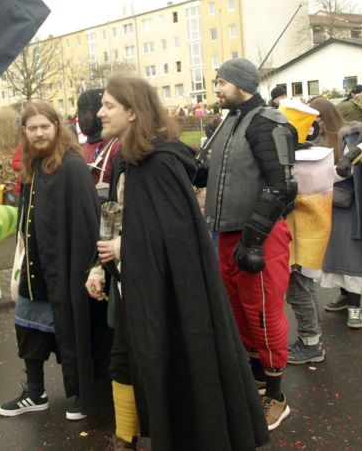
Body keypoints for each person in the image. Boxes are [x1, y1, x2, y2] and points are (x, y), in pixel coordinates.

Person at [85, 74, 268, 449]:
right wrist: (99, 264)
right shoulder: (128, 159)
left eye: (109, 106)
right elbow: (114, 215)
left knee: (173, 367)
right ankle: (125, 439)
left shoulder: (161, 162)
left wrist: (125, 247)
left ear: (133, 112)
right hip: (135, 285)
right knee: (124, 360)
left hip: (170, 294)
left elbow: (177, 239)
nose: (100, 113)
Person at [199, 58, 297, 431]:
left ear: (241, 84)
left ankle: (277, 396)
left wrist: (253, 240)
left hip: (261, 236)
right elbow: (211, 172)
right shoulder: (228, 121)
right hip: (226, 235)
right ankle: (256, 379)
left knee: (263, 315)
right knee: (239, 313)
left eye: (222, 82)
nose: (217, 89)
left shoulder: (268, 122)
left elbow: (281, 186)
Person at [0, 102, 109, 422]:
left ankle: (83, 393)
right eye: (32, 128)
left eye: (44, 126)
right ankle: (35, 392)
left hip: (66, 264)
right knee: (27, 325)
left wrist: (88, 267)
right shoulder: (31, 164)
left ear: (56, 127)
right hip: (35, 266)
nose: (39, 133)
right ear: (24, 132)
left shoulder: (71, 166)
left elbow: (86, 223)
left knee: (73, 328)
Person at [313, 99, 362, 329]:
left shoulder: (355, 135)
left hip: (353, 207)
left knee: (353, 256)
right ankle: (345, 297)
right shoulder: (316, 139)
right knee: (334, 255)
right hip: (328, 205)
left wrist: (346, 163)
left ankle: (355, 307)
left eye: (318, 118)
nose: (315, 123)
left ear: (326, 116)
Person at [279, 99, 334, 365]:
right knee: (306, 286)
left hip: (299, 235)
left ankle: (310, 342)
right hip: (312, 233)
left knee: (298, 289)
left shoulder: (301, 162)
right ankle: (314, 338)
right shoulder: (319, 156)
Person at [77, 88, 121, 201]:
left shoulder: (115, 146)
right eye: (80, 113)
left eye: (86, 113)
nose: (82, 118)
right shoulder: (82, 147)